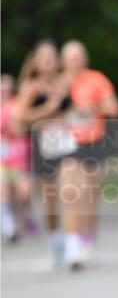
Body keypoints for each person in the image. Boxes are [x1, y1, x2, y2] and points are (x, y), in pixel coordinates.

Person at [58, 40, 118, 269]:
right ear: (62, 60)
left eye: (78, 57)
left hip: (92, 141)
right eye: (70, 57)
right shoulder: (57, 83)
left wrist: (93, 108)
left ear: (85, 59)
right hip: (66, 143)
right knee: (71, 193)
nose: (74, 61)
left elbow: (115, 109)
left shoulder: (96, 79)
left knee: (88, 195)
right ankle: (73, 247)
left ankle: (88, 239)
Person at [15, 40, 72, 266]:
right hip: (43, 145)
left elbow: (74, 109)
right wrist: (48, 109)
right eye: (44, 58)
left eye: (52, 57)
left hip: (67, 141)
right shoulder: (30, 86)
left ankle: (74, 239)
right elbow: (21, 117)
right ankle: (56, 238)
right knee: (50, 199)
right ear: (36, 62)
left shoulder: (65, 82)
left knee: (71, 190)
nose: (48, 62)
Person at [1, 74, 34, 241]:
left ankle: (24, 217)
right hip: (2, 158)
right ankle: (9, 228)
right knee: (4, 192)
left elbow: (22, 126)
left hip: (19, 156)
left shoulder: (18, 104)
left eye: (7, 87)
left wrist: (15, 126)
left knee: (24, 192)